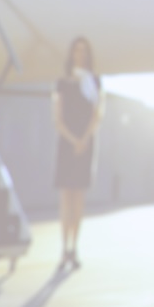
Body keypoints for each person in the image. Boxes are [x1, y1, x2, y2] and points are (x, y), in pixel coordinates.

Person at [51, 36, 103, 271]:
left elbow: (97, 114)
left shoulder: (94, 82)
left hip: (85, 144)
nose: (80, 54)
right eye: (76, 50)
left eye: (84, 50)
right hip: (67, 144)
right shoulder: (62, 83)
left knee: (79, 198)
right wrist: (73, 140)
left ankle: (75, 247)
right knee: (66, 198)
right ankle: (64, 248)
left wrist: (84, 139)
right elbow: (58, 118)